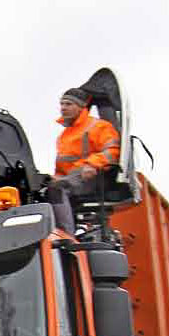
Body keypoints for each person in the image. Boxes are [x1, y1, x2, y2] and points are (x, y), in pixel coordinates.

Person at [44, 87, 121, 233]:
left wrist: (92, 164)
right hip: (73, 179)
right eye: (62, 104)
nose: (63, 108)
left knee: (57, 189)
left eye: (68, 104)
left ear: (81, 107)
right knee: (43, 188)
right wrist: (53, 178)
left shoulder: (99, 127)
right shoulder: (64, 136)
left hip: (95, 178)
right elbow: (62, 169)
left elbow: (113, 152)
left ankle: (65, 234)